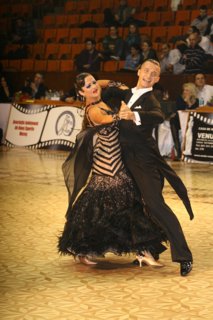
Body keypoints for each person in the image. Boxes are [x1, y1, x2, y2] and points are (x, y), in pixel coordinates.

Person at [58, 72, 167, 267]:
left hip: (118, 161)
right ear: (81, 93)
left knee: (131, 206)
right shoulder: (92, 110)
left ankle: (143, 251)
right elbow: (104, 120)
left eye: (93, 82)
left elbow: (105, 83)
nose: (93, 86)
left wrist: (110, 84)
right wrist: (121, 114)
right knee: (101, 207)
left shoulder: (101, 97)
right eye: (88, 86)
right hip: (105, 164)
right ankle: (84, 250)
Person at [105, 60, 194, 276]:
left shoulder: (151, 98)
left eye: (153, 73)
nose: (148, 74)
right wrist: (116, 84)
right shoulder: (127, 94)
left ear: (157, 79)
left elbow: (158, 115)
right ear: (138, 71)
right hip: (123, 158)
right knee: (133, 205)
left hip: (144, 161)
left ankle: (184, 256)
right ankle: (146, 250)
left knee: (155, 205)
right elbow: (105, 93)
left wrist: (133, 115)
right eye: (146, 70)